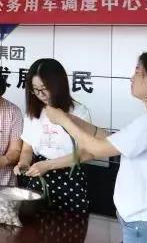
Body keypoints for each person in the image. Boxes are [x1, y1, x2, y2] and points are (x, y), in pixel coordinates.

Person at [46, 52, 147, 243]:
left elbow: (98, 149)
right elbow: (110, 140)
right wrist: (73, 120)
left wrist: (63, 120)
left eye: (139, 72)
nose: (132, 77)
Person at [13, 58, 101, 213]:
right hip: (39, 179)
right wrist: (24, 164)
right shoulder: (33, 114)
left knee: (69, 225)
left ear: (58, 85)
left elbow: (86, 153)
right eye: (35, 89)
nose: (40, 94)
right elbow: (27, 149)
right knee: (36, 225)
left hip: (70, 180)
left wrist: (48, 165)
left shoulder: (79, 112)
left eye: (44, 88)